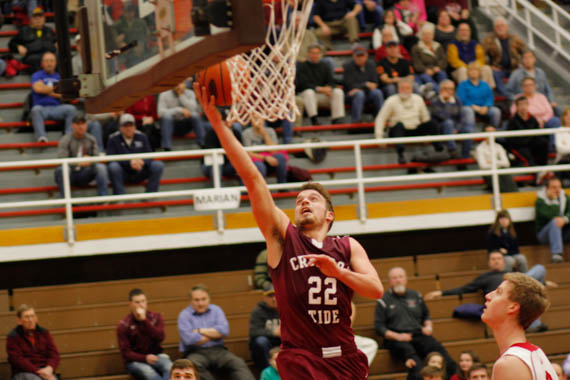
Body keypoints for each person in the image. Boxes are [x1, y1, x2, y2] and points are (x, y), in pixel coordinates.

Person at [193, 82, 383, 379]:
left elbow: (375, 289)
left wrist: (339, 273)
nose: (304, 201)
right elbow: (254, 179)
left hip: (345, 356)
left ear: (329, 215)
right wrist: (218, 124)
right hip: (301, 358)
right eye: (299, 200)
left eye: (313, 199)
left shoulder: (348, 246)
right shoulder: (284, 236)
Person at [424, 251, 550, 332]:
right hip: (507, 300)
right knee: (522, 294)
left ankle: (537, 288)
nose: (496, 261)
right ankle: (535, 325)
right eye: (493, 259)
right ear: (489, 263)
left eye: (499, 259)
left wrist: (545, 283)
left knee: (539, 269)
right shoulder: (485, 277)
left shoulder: (512, 275)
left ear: (504, 261)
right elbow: (465, 288)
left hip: (519, 287)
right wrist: (441, 293)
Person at [375, 267, 457, 380]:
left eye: (400, 277)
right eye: (394, 278)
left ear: (406, 279)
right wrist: (398, 336)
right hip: (396, 338)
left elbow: (426, 315)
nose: (398, 280)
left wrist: (428, 326)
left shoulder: (415, 295)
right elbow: (379, 327)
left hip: (417, 334)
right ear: (389, 281)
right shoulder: (383, 300)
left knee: (443, 355)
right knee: (414, 362)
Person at [481, 273, 558, 380]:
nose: (488, 296)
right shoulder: (535, 353)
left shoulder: (510, 364)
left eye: (499, 292)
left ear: (512, 307)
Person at [178, 284, 255, 380]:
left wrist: (199, 331)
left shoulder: (216, 310)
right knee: (193, 367)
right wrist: (214, 334)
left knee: (238, 363)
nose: (200, 303)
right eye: (197, 300)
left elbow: (224, 331)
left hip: (219, 351)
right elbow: (189, 339)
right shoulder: (184, 315)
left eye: (203, 299)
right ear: (190, 301)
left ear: (209, 299)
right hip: (195, 352)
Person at [375, 78, 443, 165]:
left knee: (432, 123)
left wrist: (427, 136)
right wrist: (379, 137)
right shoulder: (391, 100)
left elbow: (425, 117)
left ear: (411, 89)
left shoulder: (418, 99)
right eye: (402, 88)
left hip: (415, 128)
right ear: (398, 89)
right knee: (398, 126)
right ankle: (400, 155)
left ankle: (439, 149)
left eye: (407, 88)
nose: (405, 90)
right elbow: (381, 118)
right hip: (399, 131)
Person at [117, 288, 172, 380]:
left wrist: (144, 321)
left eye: (143, 301)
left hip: (156, 355)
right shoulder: (123, 325)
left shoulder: (156, 317)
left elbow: (160, 337)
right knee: (149, 373)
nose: (141, 305)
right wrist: (145, 358)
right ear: (130, 304)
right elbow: (126, 353)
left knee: (170, 368)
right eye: (137, 302)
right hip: (135, 361)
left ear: (146, 302)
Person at [106, 113, 165, 195]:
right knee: (113, 167)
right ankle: (120, 197)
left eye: (131, 125)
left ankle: (150, 196)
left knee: (158, 165)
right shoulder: (113, 138)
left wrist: (142, 161)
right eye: (125, 126)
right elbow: (110, 158)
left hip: (140, 170)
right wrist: (129, 163)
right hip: (123, 172)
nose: (128, 128)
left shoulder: (142, 136)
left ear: (135, 126)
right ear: (120, 127)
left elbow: (150, 155)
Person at [54, 113, 109, 198]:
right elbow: (61, 159)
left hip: (85, 173)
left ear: (86, 125)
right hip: (70, 173)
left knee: (101, 167)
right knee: (62, 169)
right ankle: (65, 200)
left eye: (83, 124)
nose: (81, 126)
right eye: (78, 124)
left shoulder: (91, 139)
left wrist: (90, 160)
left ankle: (103, 198)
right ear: (73, 125)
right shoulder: (65, 139)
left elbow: (97, 157)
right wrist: (78, 162)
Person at [30, 52, 77, 143]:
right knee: (35, 110)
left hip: (57, 108)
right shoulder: (36, 75)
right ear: (42, 63)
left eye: (51, 61)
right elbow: (37, 89)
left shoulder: (59, 76)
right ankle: (41, 137)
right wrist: (55, 89)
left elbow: (64, 94)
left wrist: (44, 88)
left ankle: (68, 136)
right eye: (46, 61)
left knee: (71, 109)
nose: (49, 63)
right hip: (41, 108)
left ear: (55, 63)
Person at [6, 304, 60, 380]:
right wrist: (38, 371)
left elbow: (54, 354)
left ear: (36, 318)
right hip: (23, 373)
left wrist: (50, 368)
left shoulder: (44, 333)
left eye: (32, 316)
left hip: (45, 371)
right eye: (27, 317)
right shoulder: (13, 337)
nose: (31, 320)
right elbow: (17, 360)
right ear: (19, 321)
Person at [296, 44, 345, 125]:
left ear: (320, 54)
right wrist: (319, 89)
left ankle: (337, 119)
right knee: (309, 92)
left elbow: (331, 81)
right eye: (313, 53)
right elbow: (302, 84)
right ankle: (314, 119)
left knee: (338, 92)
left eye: (317, 53)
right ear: (308, 53)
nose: (315, 55)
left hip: (322, 95)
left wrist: (329, 87)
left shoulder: (325, 65)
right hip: (307, 95)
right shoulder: (302, 66)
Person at [509, 77, 561, 150]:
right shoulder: (518, 98)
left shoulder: (541, 97)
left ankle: (553, 146)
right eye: (526, 85)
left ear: (535, 86)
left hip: (543, 122)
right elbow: (514, 112)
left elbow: (549, 111)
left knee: (555, 120)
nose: (528, 87)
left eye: (530, 85)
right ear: (522, 87)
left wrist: (543, 120)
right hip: (526, 123)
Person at [481, 17, 526, 96]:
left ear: (507, 27)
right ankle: (506, 94)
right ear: (494, 28)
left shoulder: (514, 39)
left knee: (523, 72)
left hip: (514, 68)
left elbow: (525, 51)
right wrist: (489, 66)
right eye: (497, 26)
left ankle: (521, 94)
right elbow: (481, 55)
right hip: (498, 69)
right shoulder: (488, 40)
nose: (500, 28)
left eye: (502, 26)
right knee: (494, 74)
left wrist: (523, 63)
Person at [430, 79, 474, 159]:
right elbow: (443, 116)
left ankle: (465, 156)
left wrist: (457, 129)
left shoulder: (457, 100)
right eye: (446, 89)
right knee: (448, 122)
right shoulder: (435, 100)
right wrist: (447, 102)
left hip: (454, 128)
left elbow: (461, 117)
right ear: (441, 90)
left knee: (468, 130)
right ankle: (452, 149)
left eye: (451, 89)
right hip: (441, 128)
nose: (449, 91)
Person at [157, 81, 206, 151]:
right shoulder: (164, 94)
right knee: (166, 117)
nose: (178, 85)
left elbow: (194, 109)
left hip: (186, 125)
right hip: (171, 125)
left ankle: (203, 144)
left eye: (180, 83)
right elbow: (160, 112)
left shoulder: (190, 93)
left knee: (195, 115)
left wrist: (181, 95)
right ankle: (167, 148)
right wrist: (179, 110)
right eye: (176, 83)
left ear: (185, 84)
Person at [342, 44, 384, 124]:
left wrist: (361, 86)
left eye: (362, 55)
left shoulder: (371, 65)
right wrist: (366, 85)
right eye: (358, 56)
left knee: (377, 92)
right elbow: (349, 85)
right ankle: (356, 121)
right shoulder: (348, 66)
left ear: (366, 56)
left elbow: (375, 83)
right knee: (359, 94)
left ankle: (380, 118)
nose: (360, 58)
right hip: (351, 95)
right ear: (354, 57)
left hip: (367, 93)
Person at [505, 96, 549, 169]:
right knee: (524, 151)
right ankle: (535, 170)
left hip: (531, 143)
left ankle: (544, 167)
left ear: (528, 105)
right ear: (517, 106)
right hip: (520, 146)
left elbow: (538, 133)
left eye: (525, 104)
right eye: (521, 104)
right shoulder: (512, 121)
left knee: (543, 143)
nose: (523, 107)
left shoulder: (532, 119)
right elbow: (510, 139)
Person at [8, 7, 56, 72]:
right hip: (32, 57)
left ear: (44, 19)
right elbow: (11, 44)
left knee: (56, 58)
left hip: (49, 56)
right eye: (35, 18)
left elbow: (57, 41)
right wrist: (18, 47)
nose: (38, 19)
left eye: (40, 17)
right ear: (31, 20)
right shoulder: (24, 31)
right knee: (36, 60)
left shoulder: (49, 30)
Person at [242, 117, 288, 185]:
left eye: (260, 118)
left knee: (280, 158)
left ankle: (283, 187)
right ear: (251, 121)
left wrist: (265, 135)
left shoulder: (270, 131)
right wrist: (265, 158)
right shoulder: (246, 133)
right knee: (260, 166)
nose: (258, 121)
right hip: (256, 160)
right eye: (255, 118)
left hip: (271, 159)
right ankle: (263, 190)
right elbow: (248, 153)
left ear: (264, 120)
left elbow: (273, 151)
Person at [447, 23, 495, 88]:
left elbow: (481, 59)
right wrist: (468, 68)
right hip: (459, 70)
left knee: (486, 68)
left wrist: (474, 68)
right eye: (462, 30)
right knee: (462, 70)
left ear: (469, 32)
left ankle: (484, 90)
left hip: (475, 68)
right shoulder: (452, 45)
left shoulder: (475, 44)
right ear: (458, 32)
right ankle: (467, 92)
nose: (464, 32)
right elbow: (454, 61)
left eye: (466, 30)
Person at [535, 176, 570, 263]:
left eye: (559, 187)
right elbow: (552, 216)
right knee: (555, 222)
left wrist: (565, 219)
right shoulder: (540, 201)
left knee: (560, 221)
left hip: (562, 232)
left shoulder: (565, 197)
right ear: (547, 189)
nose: (558, 190)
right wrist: (554, 200)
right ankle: (557, 254)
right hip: (543, 235)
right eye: (554, 187)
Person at [456, 62, 501, 128]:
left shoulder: (485, 84)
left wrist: (486, 106)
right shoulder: (463, 85)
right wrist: (474, 107)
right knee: (468, 111)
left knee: (496, 111)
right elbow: (462, 99)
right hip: (470, 107)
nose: (473, 72)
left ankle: (492, 130)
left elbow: (490, 98)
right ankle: (470, 134)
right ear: (467, 72)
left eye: (475, 70)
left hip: (484, 108)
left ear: (479, 72)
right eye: (471, 70)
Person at [249, 286, 281, 370]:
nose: (274, 299)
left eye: (276, 295)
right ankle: (268, 371)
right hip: (267, 343)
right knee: (261, 341)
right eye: (270, 296)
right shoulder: (257, 311)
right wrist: (273, 332)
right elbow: (254, 331)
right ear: (264, 298)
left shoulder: (286, 308)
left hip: (282, 341)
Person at [411, 22, 448, 93]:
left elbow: (443, 59)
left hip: (437, 69)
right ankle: (440, 92)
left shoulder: (438, 46)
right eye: (425, 34)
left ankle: (445, 89)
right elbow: (416, 63)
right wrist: (425, 70)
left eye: (429, 34)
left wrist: (438, 67)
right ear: (421, 36)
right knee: (426, 77)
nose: (427, 36)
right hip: (423, 71)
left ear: (433, 36)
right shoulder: (416, 48)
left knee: (442, 74)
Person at [351, 302, 378, 367]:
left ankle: (355, 373)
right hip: (325, 340)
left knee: (371, 344)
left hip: (342, 337)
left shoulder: (349, 303)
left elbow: (347, 326)